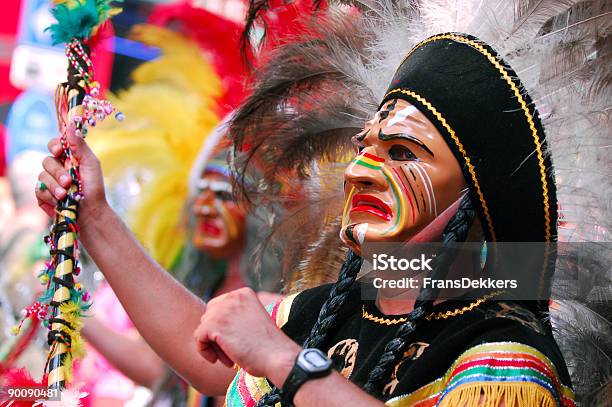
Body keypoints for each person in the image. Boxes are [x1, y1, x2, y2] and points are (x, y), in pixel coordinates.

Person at [35, 1, 609, 406]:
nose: (362, 169)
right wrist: (97, 218)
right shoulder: (324, 313)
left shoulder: (502, 356)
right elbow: (203, 354)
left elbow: (267, 357)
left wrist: (285, 364)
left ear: (476, 188)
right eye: (364, 147)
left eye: (404, 152)